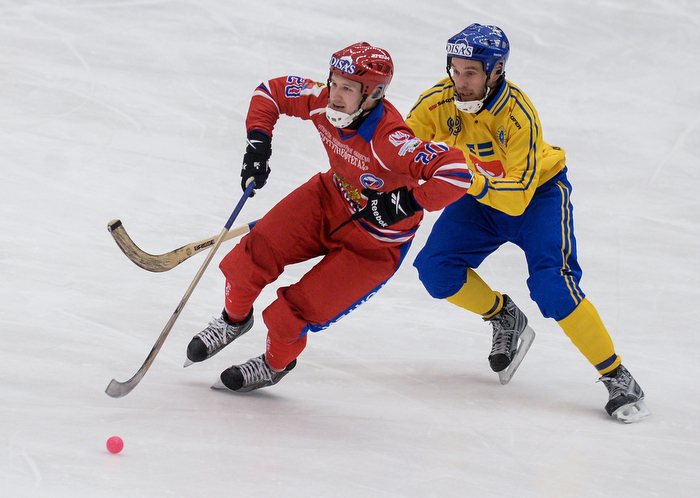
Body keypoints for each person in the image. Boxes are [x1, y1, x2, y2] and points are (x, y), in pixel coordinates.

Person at [184, 42, 473, 393]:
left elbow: (457, 173)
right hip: (327, 200)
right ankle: (233, 321)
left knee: (291, 313)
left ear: (374, 94)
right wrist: (258, 145)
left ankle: (275, 364)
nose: (334, 95)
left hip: (374, 245)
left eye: (347, 88)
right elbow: (270, 92)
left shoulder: (390, 140)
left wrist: (405, 203)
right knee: (250, 257)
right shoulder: (323, 100)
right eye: (334, 82)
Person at [405, 23, 650, 423]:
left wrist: (460, 180)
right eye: (455, 69)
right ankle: (504, 316)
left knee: (552, 285)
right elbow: (401, 146)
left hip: (536, 199)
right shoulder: (438, 101)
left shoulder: (518, 113)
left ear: (495, 71)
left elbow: (516, 198)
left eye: (471, 72)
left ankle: (617, 374)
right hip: (479, 197)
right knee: (435, 269)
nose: (460, 82)